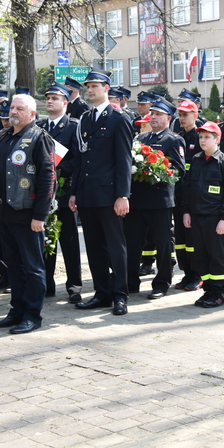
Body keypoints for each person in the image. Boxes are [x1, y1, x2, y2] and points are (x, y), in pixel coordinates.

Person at [0, 94, 55, 333]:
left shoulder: (39, 138)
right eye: (12, 107)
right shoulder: (4, 137)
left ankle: (32, 315)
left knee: (33, 267)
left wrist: (40, 216)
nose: (13, 111)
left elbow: (48, 178)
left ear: (32, 114)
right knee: (13, 266)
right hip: (4, 213)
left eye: (20, 108)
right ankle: (17, 310)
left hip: (27, 215)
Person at [70, 68, 133, 316]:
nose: (90, 90)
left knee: (115, 247)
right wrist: (74, 192)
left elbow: (124, 160)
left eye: (95, 86)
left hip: (109, 195)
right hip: (87, 194)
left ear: (106, 88)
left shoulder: (118, 119)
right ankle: (101, 293)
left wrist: (123, 195)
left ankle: (120, 295)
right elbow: (80, 159)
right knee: (94, 246)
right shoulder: (85, 119)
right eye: (88, 86)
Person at [125, 98, 185, 299]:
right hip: (137, 200)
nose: (154, 117)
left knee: (163, 244)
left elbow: (179, 170)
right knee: (133, 243)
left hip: (160, 201)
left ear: (169, 118)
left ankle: (162, 283)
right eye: (152, 113)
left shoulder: (174, 140)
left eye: (159, 114)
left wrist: (155, 170)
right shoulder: (141, 139)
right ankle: (130, 281)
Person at [182, 121, 224, 308]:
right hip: (197, 217)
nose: (202, 140)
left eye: (207, 137)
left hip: (215, 219)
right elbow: (188, 189)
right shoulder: (196, 160)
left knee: (216, 256)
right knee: (201, 255)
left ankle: (218, 292)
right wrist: (186, 211)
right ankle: (208, 290)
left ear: (217, 139)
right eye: (201, 137)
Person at [37, 83, 82, 303]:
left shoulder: (73, 127)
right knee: (47, 239)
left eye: (55, 98)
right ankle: (47, 284)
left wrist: (57, 167)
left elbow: (78, 159)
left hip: (64, 191)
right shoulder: (38, 127)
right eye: (48, 98)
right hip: (43, 193)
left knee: (69, 241)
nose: (49, 101)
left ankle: (74, 285)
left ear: (65, 103)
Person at [172, 99, 204, 291]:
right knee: (181, 238)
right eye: (180, 115)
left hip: (194, 195)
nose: (182, 118)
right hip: (179, 194)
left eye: (186, 115)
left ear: (195, 115)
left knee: (193, 238)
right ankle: (186, 272)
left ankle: (197, 274)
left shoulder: (199, 138)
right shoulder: (178, 137)